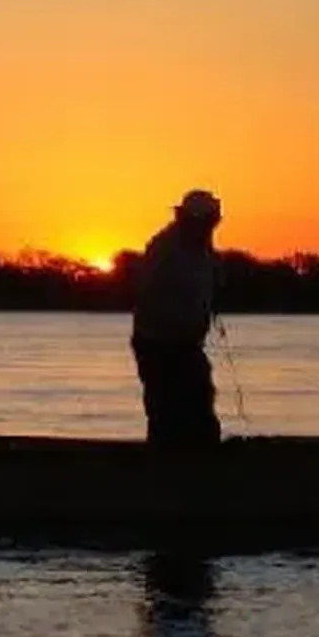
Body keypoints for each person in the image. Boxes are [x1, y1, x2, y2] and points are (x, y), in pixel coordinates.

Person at [129, 189, 223, 446]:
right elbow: (147, 294)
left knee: (201, 401)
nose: (211, 226)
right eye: (207, 221)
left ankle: (200, 462)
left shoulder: (203, 247)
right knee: (166, 410)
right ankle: (166, 468)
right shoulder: (164, 248)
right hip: (158, 343)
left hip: (186, 344)